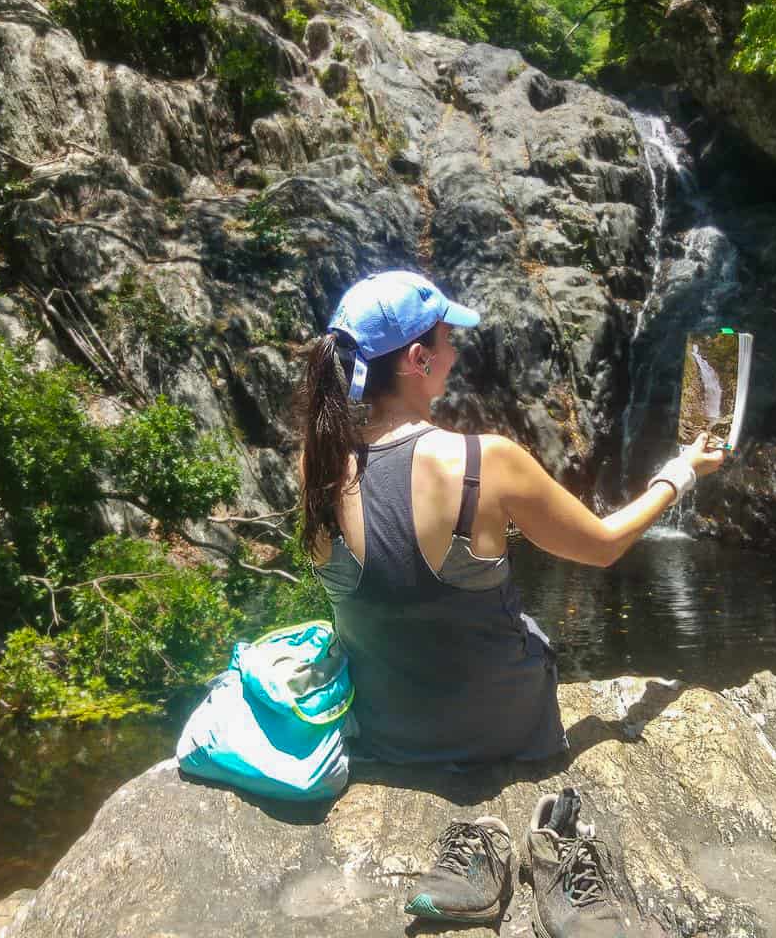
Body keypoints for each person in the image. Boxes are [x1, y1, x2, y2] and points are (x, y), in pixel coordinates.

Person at [294, 270, 723, 934]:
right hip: (508, 732)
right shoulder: (483, 461)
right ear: (418, 360)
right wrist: (679, 473)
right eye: (448, 339)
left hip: (387, 736)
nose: (458, 352)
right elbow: (605, 545)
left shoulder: (319, 464)